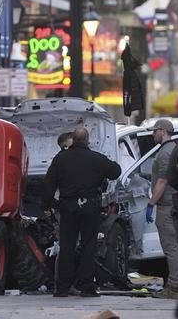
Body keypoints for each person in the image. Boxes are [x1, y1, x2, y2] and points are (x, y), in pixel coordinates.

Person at [42, 127, 121, 297]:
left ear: (74, 140)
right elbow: (116, 171)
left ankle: (62, 287)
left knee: (67, 246)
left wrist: (48, 204)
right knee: (88, 246)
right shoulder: (96, 158)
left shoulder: (60, 159)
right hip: (90, 207)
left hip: (68, 207)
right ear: (87, 140)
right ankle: (86, 286)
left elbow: (49, 184)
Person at [146, 119, 178, 299]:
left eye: (155, 131)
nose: (153, 135)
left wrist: (151, 203)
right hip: (173, 204)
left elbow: (162, 181)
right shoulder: (172, 149)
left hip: (167, 205)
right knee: (176, 247)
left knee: (171, 248)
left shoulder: (166, 153)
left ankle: (174, 287)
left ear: (163, 131)